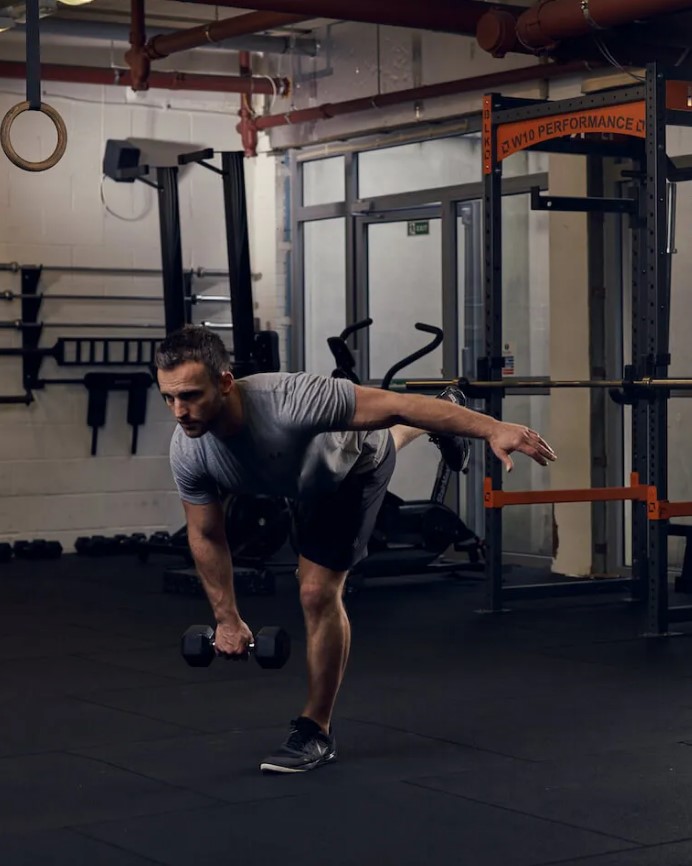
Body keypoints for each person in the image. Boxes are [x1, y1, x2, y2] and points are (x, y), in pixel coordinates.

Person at [155, 324, 556, 775]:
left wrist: (493, 428)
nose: (179, 411)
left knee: (316, 590)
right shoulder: (188, 452)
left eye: (190, 395)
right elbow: (207, 534)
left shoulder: (294, 400)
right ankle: (442, 412)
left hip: (350, 473)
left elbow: (397, 404)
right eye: (168, 398)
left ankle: (315, 730)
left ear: (225, 382)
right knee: (395, 434)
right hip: (301, 480)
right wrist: (227, 618)